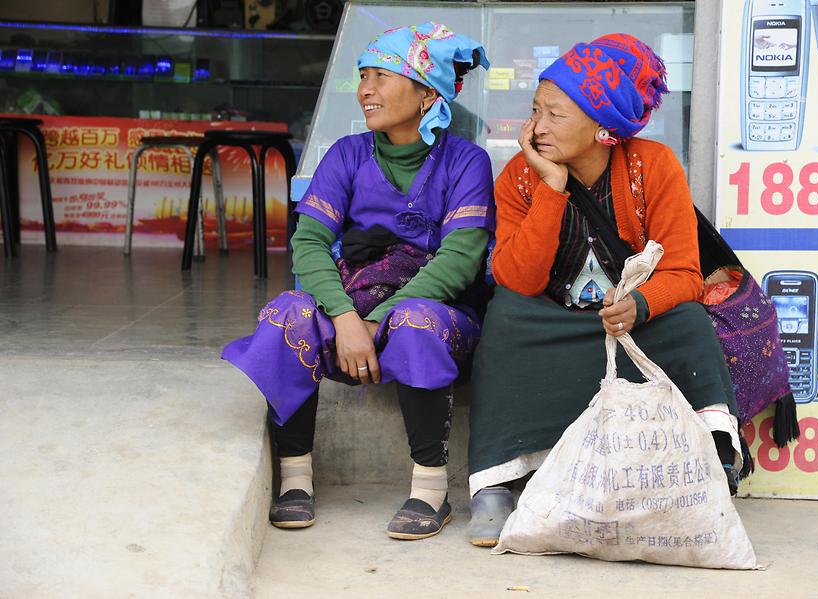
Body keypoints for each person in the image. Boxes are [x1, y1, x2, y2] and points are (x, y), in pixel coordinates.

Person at [466, 33, 743, 548]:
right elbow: (516, 277)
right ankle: (498, 482)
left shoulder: (654, 166)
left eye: (555, 115)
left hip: (630, 321)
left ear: (602, 129)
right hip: (551, 321)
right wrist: (550, 187)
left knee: (687, 321)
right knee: (505, 314)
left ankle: (710, 467)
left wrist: (639, 304)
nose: (537, 127)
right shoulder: (520, 178)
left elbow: (683, 271)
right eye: (535, 110)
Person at [222, 22, 493, 540]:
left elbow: (459, 259)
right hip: (355, 309)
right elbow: (309, 243)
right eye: (362, 76)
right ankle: (295, 478)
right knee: (290, 314)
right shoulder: (346, 155)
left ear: (426, 92)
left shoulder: (466, 161)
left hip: (431, 316)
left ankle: (430, 492)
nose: (365, 89)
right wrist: (347, 318)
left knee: (415, 319)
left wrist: (374, 320)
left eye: (382, 77)